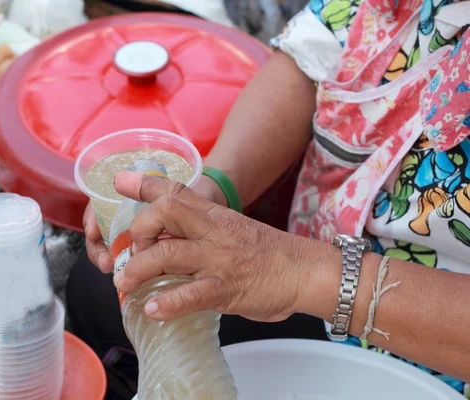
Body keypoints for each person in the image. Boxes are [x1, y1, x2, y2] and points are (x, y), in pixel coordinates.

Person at [80, 0, 470, 394]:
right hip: (316, 270)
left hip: (437, 351)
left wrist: (301, 273)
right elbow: (311, 58)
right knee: (92, 289)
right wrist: (212, 189)